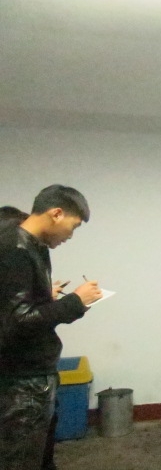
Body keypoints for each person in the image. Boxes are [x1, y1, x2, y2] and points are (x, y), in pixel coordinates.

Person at [0, 185, 102, 470]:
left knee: (40, 455)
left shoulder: (34, 246)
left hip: (34, 374)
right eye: (74, 226)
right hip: (22, 381)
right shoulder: (15, 249)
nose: (71, 235)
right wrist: (74, 301)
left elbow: (17, 306)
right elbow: (18, 322)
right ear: (56, 214)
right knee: (21, 459)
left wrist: (48, 296)